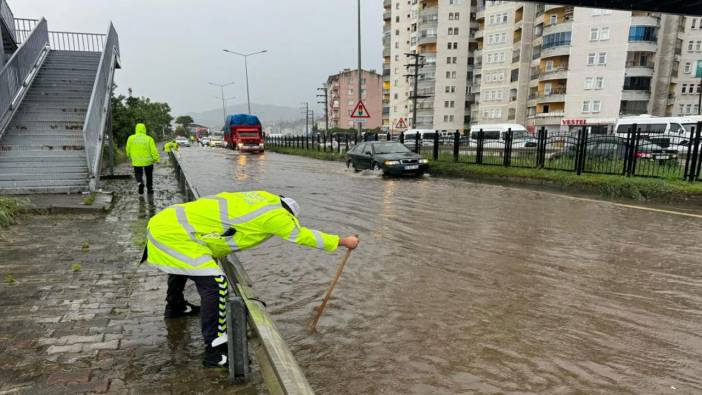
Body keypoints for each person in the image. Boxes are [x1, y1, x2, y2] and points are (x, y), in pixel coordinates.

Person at [142, 191, 359, 367]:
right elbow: (302, 236)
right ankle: (214, 350)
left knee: (184, 265)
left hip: (167, 223)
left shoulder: (262, 198)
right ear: (290, 214)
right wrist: (342, 241)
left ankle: (176, 307)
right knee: (217, 283)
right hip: (175, 235)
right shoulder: (277, 217)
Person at [125, 123, 161, 194]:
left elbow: (128, 148)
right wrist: (157, 159)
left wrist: (129, 156)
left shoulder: (131, 138)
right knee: (149, 175)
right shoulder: (149, 138)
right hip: (148, 161)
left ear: (136, 129)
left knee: (138, 174)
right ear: (144, 129)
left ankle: (140, 183)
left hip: (136, 161)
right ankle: (149, 189)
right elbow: (153, 150)